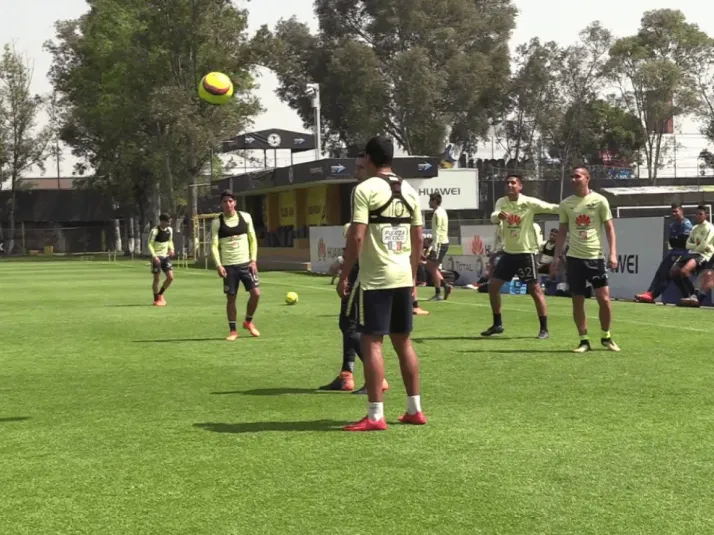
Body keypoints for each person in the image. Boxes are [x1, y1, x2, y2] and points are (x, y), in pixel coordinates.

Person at [338, 136, 426, 431]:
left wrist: (344, 273)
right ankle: (415, 409)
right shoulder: (410, 190)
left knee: (372, 341)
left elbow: (357, 236)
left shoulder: (364, 189)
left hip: (376, 278)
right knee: (404, 342)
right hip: (403, 275)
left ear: (370, 159)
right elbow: (418, 239)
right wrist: (413, 278)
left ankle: (375, 415)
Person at [320, 153, 389, 394]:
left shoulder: (370, 192)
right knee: (347, 323)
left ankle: (377, 379)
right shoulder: (374, 191)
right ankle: (346, 375)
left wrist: (343, 267)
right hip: (369, 268)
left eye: (360, 167)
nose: (356, 171)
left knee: (352, 326)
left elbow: (362, 236)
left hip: (365, 271)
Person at [481, 174, 559, 339]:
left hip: (525, 253)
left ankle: (544, 328)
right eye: (507, 183)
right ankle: (497, 324)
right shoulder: (502, 202)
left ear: (520, 186)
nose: (510, 185)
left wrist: (567, 207)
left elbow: (550, 208)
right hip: (509, 253)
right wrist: (499, 216)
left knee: (535, 289)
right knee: (493, 286)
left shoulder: (528, 203)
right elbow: (494, 217)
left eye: (513, 183)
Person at [551, 167, 620, 353]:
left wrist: (613, 253)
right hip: (574, 259)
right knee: (577, 301)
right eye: (572, 177)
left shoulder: (599, 200)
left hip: (595, 258)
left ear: (587, 179)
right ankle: (583, 340)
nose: (574, 179)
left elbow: (609, 228)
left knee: (604, 300)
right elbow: (563, 231)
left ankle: (606, 336)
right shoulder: (566, 204)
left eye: (578, 176)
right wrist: (556, 257)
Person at [210, 190, 261, 341]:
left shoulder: (245, 217)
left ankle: (248, 321)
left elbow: (253, 239)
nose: (228, 204)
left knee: (256, 294)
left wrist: (253, 260)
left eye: (230, 201)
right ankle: (233, 331)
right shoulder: (217, 222)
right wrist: (219, 265)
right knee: (231, 298)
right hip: (229, 266)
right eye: (225, 202)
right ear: (221, 204)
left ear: (235, 203)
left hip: (246, 264)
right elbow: (214, 245)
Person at [634, 203, 693, 303]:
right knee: (663, 272)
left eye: (676, 211)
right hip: (674, 252)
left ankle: (652, 294)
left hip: (683, 253)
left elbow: (684, 241)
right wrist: (677, 239)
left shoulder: (686, 223)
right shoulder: (672, 225)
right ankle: (650, 293)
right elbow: (673, 241)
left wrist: (677, 240)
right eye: (672, 212)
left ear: (681, 211)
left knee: (668, 274)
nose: (674, 214)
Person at [670, 205, 714, 307]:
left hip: (703, 254)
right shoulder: (694, 228)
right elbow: (687, 244)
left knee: (684, 271)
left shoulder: (710, 228)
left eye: (700, 214)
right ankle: (688, 296)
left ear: (706, 215)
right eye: (696, 213)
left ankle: (694, 296)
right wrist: (695, 246)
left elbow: (703, 246)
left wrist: (694, 246)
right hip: (692, 253)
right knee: (673, 272)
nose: (698, 216)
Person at [426, 193, 453, 301]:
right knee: (432, 267)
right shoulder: (442, 211)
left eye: (430, 200)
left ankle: (441, 289)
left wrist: (434, 247)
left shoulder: (437, 213)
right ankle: (442, 288)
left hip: (440, 243)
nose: (428, 202)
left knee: (431, 266)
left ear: (434, 201)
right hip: (442, 242)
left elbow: (437, 232)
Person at [148, 213, 175, 306]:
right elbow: (150, 244)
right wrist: (154, 256)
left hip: (165, 257)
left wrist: (172, 249)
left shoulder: (170, 230)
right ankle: (156, 299)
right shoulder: (155, 231)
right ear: (162, 221)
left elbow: (170, 241)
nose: (169, 223)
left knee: (170, 277)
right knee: (157, 279)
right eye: (168, 221)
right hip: (157, 257)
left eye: (170, 221)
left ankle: (160, 294)